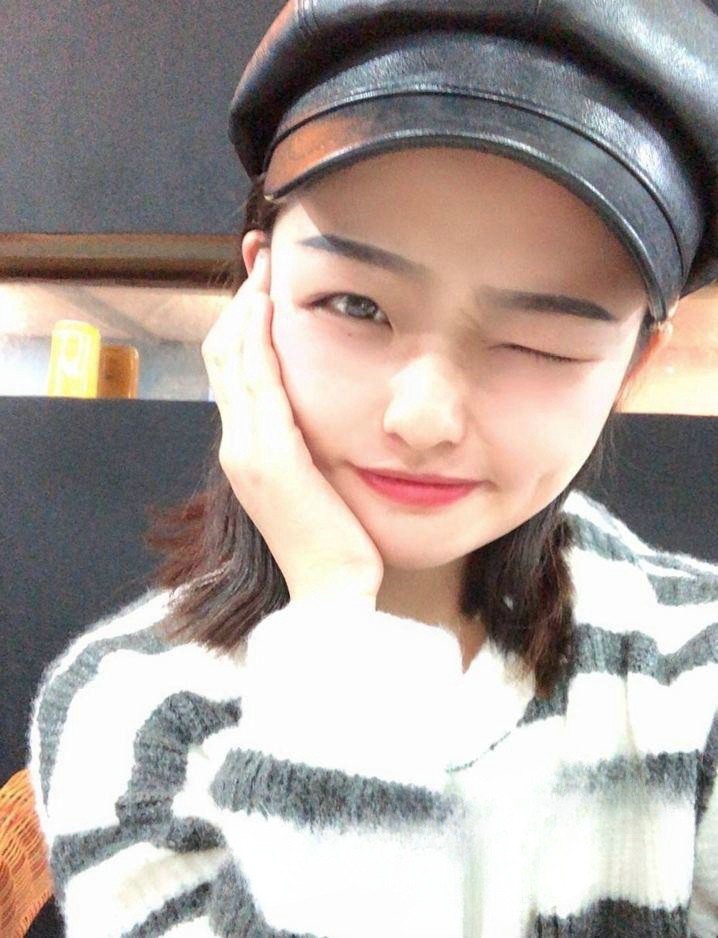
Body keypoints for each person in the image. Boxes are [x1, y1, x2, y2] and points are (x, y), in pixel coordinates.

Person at [27, 2, 718, 935]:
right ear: (259, 297)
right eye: (355, 304)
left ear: (632, 364)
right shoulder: (131, 710)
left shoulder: (693, 675)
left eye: (539, 342)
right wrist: (336, 614)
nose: (422, 417)